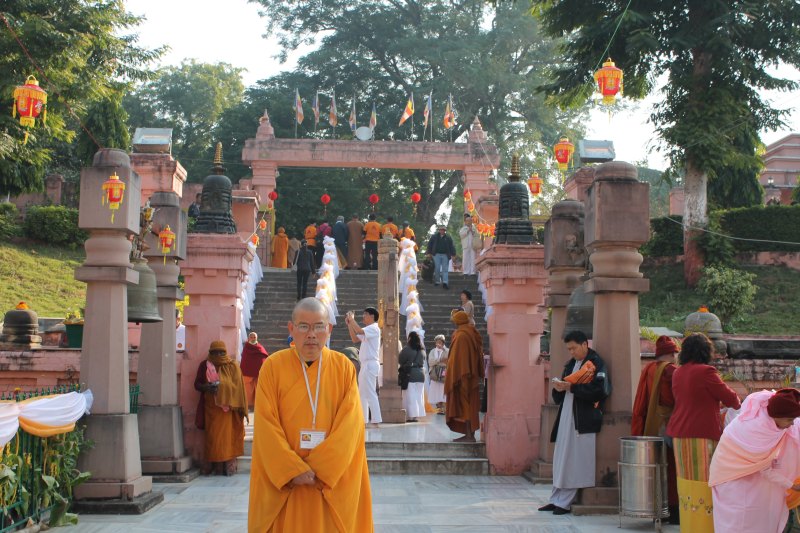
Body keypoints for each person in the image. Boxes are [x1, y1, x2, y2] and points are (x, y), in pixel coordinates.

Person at [247, 298, 373, 532]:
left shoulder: (343, 368)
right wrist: (291, 469)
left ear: (329, 329)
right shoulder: (273, 367)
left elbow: (351, 426)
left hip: (327, 483)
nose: (311, 334)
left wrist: (321, 468)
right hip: (287, 484)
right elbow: (265, 424)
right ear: (291, 328)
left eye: (318, 326)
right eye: (304, 326)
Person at [666, 333, 740, 532]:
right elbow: (731, 399)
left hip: (679, 434)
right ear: (705, 351)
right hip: (702, 434)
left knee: (686, 481)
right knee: (705, 481)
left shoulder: (678, 373)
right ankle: (704, 527)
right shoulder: (706, 372)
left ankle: (690, 525)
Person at [540, 330, 611, 515]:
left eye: (573, 348)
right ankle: (555, 499)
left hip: (583, 419)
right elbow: (561, 393)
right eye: (569, 349)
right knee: (560, 457)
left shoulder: (596, 363)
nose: (571, 352)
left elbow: (600, 390)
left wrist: (572, 387)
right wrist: (559, 387)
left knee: (574, 459)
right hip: (566, 414)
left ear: (584, 344)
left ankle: (565, 502)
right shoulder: (571, 364)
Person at [709, 388, 800, 533]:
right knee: (741, 518)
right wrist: (791, 485)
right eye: (790, 420)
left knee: (765, 510)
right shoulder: (756, 429)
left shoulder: (772, 417)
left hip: (755, 472)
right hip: (731, 477)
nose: (792, 424)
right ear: (777, 416)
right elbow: (765, 470)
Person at [631, 335, 679, 523]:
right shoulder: (671, 371)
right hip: (668, 425)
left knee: (656, 469)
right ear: (673, 354)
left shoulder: (649, 368)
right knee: (672, 469)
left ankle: (657, 509)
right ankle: (672, 511)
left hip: (651, 425)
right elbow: (675, 399)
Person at [194, 340, 248, 476]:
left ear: (225, 352)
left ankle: (229, 467)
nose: (218, 355)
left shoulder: (232, 365)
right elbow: (197, 384)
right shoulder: (205, 365)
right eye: (215, 352)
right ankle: (217, 468)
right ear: (210, 353)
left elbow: (238, 387)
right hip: (212, 409)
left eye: (221, 352)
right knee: (214, 439)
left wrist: (224, 388)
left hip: (229, 410)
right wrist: (207, 387)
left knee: (229, 438)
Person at [444, 311, 484, 442]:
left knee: (466, 406)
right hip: (468, 375)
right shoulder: (469, 332)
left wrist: (457, 375)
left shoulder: (462, 336)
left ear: (458, 321)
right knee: (469, 405)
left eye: (455, 321)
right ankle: (469, 434)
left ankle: (469, 435)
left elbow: (461, 359)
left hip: (463, 377)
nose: (453, 323)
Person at [345, 307, 382, 426]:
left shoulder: (374, 328)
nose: (363, 316)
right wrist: (349, 324)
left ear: (372, 316)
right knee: (362, 393)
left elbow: (359, 331)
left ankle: (376, 420)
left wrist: (352, 319)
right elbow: (355, 338)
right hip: (365, 364)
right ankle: (363, 420)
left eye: (365, 314)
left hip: (371, 363)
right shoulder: (368, 330)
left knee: (370, 392)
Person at [399, 331, 426, 422]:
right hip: (421, 375)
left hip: (410, 374)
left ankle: (412, 415)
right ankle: (418, 414)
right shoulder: (422, 350)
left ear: (410, 338)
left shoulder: (407, 349)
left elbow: (400, 360)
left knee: (411, 396)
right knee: (419, 396)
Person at [240, 332, 269, 410]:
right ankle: (248, 405)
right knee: (248, 389)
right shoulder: (246, 348)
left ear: (257, 338)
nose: (253, 339)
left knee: (258, 389)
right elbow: (245, 360)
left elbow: (265, 357)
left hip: (258, 372)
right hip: (247, 372)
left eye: (254, 337)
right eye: (251, 337)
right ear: (249, 338)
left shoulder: (260, 347)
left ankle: (258, 405)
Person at [426, 224, 456, 289]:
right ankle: (437, 281)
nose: (442, 231)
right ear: (439, 230)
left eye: (443, 230)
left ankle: (445, 282)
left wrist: (453, 254)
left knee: (445, 269)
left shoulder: (448, 237)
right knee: (437, 268)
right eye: (441, 230)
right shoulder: (434, 237)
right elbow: (429, 245)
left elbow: (452, 246)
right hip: (436, 254)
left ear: (445, 231)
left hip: (445, 255)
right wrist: (429, 253)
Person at [427, 334, 449, 414]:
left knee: (443, 390)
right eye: (437, 342)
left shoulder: (447, 351)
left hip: (444, 373)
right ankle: (439, 407)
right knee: (435, 390)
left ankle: (444, 408)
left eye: (440, 342)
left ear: (443, 343)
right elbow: (430, 362)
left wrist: (439, 362)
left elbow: (448, 361)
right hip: (435, 374)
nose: (438, 344)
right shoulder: (433, 351)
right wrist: (439, 360)